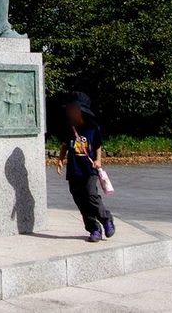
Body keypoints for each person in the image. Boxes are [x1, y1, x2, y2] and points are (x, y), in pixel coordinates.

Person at [56, 92, 116, 242]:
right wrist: (60, 160)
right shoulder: (69, 128)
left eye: (73, 109)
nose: (70, 112)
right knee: (80, 200)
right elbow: (64, 145)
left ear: (81, 110)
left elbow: (97, 146)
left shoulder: (92, 127)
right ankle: (94, 229)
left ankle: (106, 218)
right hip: (74, 170)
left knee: (90, 195)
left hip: (89, 169)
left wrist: (99, 161)